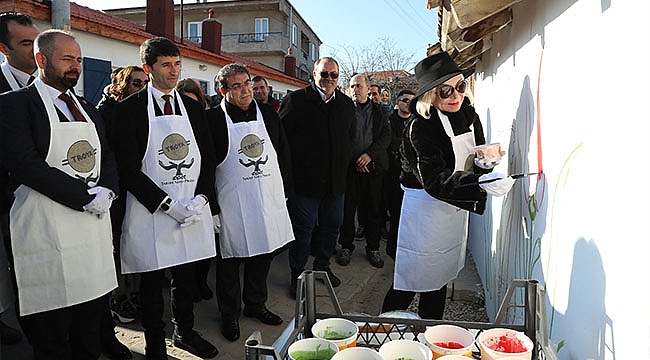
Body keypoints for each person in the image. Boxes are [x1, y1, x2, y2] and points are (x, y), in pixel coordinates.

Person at [0, 29, 119, 359]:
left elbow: (107, 154)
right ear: (41, 60)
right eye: (67, 59)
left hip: (91, 236)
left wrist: (108, 190)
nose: (76, 66)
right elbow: (25, 164)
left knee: (89, 328)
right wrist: (85, 197)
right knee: (51, 335)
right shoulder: (13, 105)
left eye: (79, 60)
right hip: (44, 231)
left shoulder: (86, 107)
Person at [381, 52, 514, 319]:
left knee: (440, 277)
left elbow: (476, 155)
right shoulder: (420, 126)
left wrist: (486, 165)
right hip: (425, 213)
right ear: (431, 95)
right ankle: (382, 330)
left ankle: (432, 332)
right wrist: (479, 183)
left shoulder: (469, 115)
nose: (456, 95)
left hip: (454, 209)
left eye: (460, 86)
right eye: (445, 90)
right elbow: (434, 180)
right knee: (410, 281)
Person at [112, 37, 218, 360]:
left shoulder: (194, 109)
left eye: (177, 65)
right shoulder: (128, 111)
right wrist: (167, 205)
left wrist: (201, 198)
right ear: (149, 68)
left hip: (191, 209)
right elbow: (128, 169)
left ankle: (185, 332)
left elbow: (208, 158)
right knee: (152, 280)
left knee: (186, 278)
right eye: (166, 65)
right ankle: (155, 343)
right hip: (151, 211)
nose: (174, 72)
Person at [206, 63, 293, 342]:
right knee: (230, 261)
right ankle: (229, 314)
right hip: (232, 201)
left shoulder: (267, 112)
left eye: (247, 84)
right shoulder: (213, 120)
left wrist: (285, 191)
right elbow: (206, 167)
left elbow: (282, 152)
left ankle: (256, 304)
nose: (246, 90)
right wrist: (212, 209)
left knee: (263, 253)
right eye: (237, 86)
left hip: (266, 194)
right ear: (223, 91)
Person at [279, 57, 354, 297]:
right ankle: (297, 275)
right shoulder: (296, 101)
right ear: (313, 74)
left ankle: (322, 266)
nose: (329, 79)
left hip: (335, 184)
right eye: (324, 74)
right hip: (305, 184)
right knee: (303, 231)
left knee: (332, 227)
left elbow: (348, 139)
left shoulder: (345, 104)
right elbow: (282, 140)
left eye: (334, 75)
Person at [0, 11, 38, 346]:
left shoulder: (49, 89)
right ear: (3, 48)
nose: (34, 49)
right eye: (25, 43)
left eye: (37, 41)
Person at [335, 74, 390, 269]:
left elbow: (385, 137)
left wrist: (368, 156)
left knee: (373, 211)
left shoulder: (380, 112)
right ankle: (346, 246)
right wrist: (356, 160)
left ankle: (373, 247)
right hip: (350, 170)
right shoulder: (344, 111)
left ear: (368, 89)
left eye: (358, 86)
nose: (355, 90)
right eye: (351, 86)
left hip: (373, 170)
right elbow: (341, 138)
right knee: (348, 211)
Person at [384, 89, 415, 260]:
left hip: (411, 176)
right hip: (392, 174)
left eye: (411, 100)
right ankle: (392, 249)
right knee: (395, 214)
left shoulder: (416, 120)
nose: (408, 103)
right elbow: (388, 141)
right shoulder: (389, 119)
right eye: (405, 100)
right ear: (397, 102)